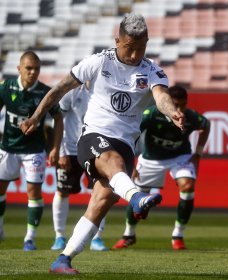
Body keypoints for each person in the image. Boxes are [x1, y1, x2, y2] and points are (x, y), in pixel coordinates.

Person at [20, 13, 184, 274]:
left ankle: (63, 259)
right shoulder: (97, 62)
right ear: (117, 40)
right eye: (129, 48)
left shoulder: (151, 70)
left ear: (148, 43)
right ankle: (137, 196)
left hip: (126, 145)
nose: (134, 55)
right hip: (93, 137)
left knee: (100, 201)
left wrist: (172, 111)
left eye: (140, 49)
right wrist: (37, 115)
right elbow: (59, 89)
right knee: (113, 163)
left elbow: (161, 96)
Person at [112, 85, 210, 251]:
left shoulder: (191, 117)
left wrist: (198, 154)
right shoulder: (151, 114)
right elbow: (132, 135)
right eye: (176, 105)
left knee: (188, 186)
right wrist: (132, 163)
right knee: (138, 196)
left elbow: (206, 126)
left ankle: (177, 235)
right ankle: (129, 234)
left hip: (180, 156)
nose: (179, 109)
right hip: (151, 159)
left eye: (183, 105)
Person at [0, 51, 63, 250]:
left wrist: (55, 148)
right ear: (19, 69)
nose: (33, 72)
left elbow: (59, 119)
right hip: (8, 147)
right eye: (29, 68)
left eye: (36, 68)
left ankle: (30, 238)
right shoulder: (6, 87)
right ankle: (0, 229)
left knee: (33, 192)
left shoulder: (45, 92)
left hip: (34, 150)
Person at [51, 82, 108, 252]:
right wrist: (60, 151)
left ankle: (96, 238)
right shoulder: (71, 92)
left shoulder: (107, 90)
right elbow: (58, 119)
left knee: (101, 191)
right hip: (70, 149)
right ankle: (59, 236)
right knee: (62, 191)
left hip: (96, 150)